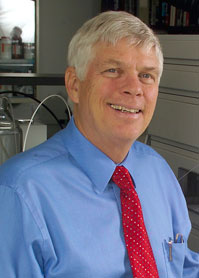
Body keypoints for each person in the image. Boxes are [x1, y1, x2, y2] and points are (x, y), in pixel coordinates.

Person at [0, 11, 198, 278]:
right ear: (74, 85)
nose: (134, 88)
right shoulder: (19, 193)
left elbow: (182, 266)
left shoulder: (158, 171)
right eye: (113, 70)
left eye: (146, 75)